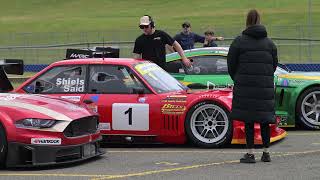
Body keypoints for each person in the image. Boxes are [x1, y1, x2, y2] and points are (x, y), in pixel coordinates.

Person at [227, 9, 278, 163]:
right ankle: (266, 153)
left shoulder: (238, 41)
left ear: (247, 22)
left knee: (248, 121)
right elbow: (274, 65)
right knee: (264, 120)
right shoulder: (270, 43)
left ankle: (250, 154)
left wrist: (238, 78)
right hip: (264, 87)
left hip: (245, 87)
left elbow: (231, 64)